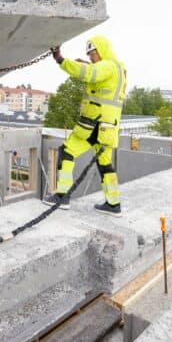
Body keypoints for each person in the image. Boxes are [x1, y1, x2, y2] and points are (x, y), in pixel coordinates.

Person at [44, 36, 127, 217]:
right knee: (105, 164)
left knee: (67, 151)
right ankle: (114, 204)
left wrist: (60, 59)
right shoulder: (116, 67)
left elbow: (89, 73)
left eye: (92, 53)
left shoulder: (107, 65)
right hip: (107, 127)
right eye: (89, 55)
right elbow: (97, 74)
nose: (90, 57)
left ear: (101, 50)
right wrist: (89, 65)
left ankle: (62, 196)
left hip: (94, 124)